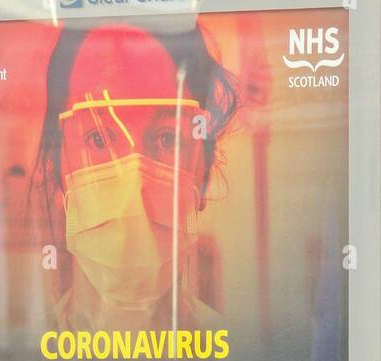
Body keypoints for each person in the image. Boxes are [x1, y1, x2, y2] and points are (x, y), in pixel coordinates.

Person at [32, 21, 239, 333]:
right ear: (54, 166)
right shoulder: (21, 360)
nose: (134, 190)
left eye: (167, 140)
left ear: (204, 175)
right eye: (98, 139)